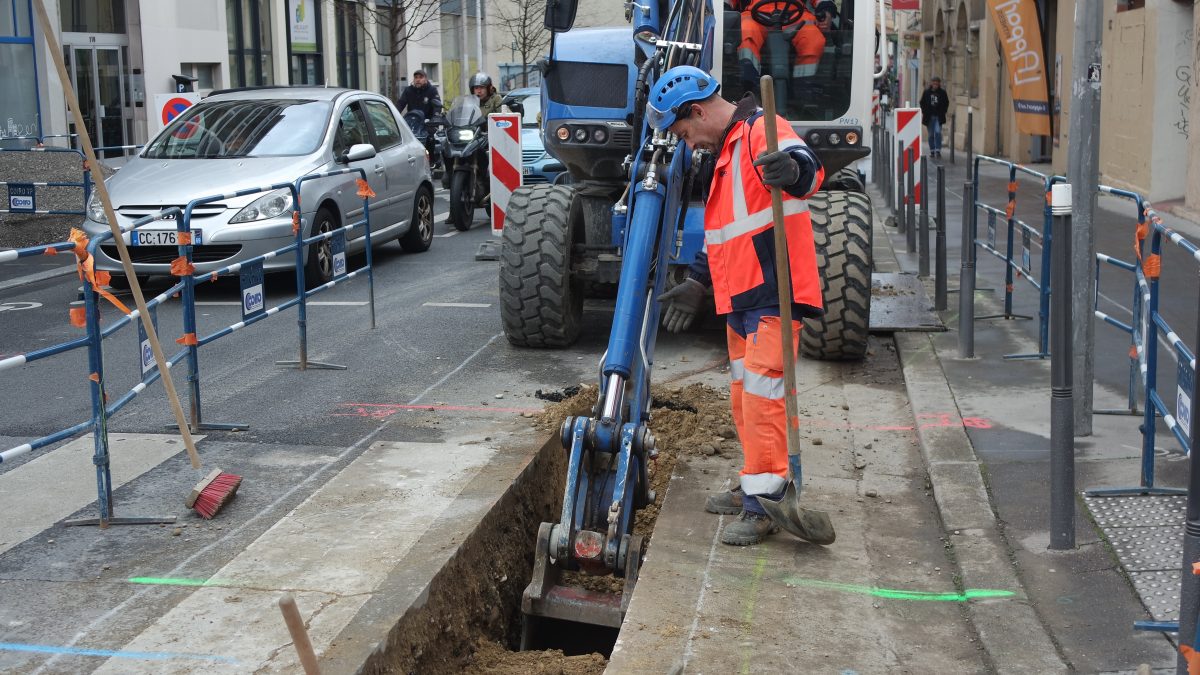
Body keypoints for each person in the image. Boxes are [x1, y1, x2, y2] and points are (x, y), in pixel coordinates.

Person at [649, 65, 825, 547]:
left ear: (699, 111)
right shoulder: (725, 154)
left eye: (685, 132)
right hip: (740, 296)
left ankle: (763, 506)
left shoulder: (758, 132)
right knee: (744, 397)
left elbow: (807, 168)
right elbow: (723, 233)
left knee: (764, 397)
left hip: (774, 292)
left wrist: (792, 172)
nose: (687, 144)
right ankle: (757, 480)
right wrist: (697, 282)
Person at [734, 0, 826, 85]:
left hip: (796, 14)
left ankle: (805, 89)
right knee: (745, 31)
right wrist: (725, 7)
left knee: (813, 38)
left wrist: (826, 7)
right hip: (754, 14)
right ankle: (749, 88)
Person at [920, 77, 949, 158]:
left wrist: (944, 111)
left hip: (938, 117)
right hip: (929, 116)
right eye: (934, 83)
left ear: (939, 84)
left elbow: (946, 102)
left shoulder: (942, 93)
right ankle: (932, 150)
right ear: (931, 84)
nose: (935, 85)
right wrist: (924, 111)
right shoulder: (926, 92)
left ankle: (938, 150)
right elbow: (922, 102)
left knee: (938, 132)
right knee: (930, 135)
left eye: (937, 83)